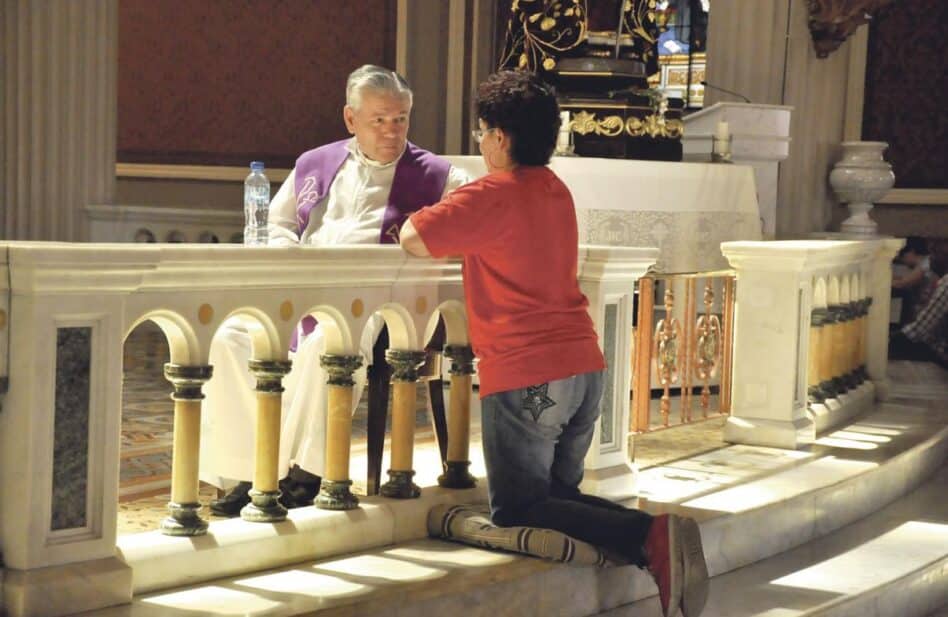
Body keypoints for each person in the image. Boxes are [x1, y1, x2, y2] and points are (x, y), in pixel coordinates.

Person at [399, 70, 709, 617]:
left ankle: (651, 536)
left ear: (498, 137)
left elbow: (414, 238)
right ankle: (659, 541)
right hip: (583, 369)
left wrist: (462, 192)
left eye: (481, 133)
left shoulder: (492, 192)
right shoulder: (554, 189)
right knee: (557, 501)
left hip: (528, 376)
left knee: (519, 507)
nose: (480, 143)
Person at [200, 65, 471, 516]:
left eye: (401, 118)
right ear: (351, 119)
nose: (392, 130)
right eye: (379, 120)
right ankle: (249, 470)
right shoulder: (315, 163)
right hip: (302, 287)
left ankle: (306, 471)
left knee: (329, 343)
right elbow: (279, 224)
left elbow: (470, 216)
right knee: (230, 338)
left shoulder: (439, 175)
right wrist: (292, 257)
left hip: (378, 300)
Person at [890, 239, 948, 367]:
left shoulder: (946, 283)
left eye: (933, 255)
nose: (929, 260)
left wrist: (888, 341)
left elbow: (919, 330)